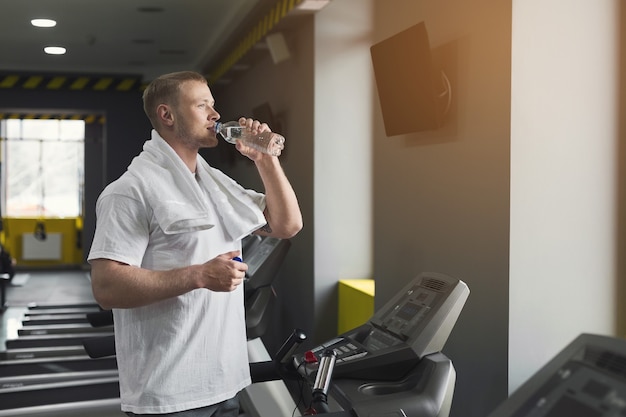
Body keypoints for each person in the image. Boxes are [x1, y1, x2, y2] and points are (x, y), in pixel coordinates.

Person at [88, 70, 302, 417]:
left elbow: (287, 224)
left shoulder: (215, 185)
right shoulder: (130, 190)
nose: (216, 116)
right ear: (167, 115)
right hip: (170, 396)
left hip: (225, 382)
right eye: (202, 105)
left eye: (213, 106)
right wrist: (199, 276)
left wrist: (266, 159)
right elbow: (106, 286)